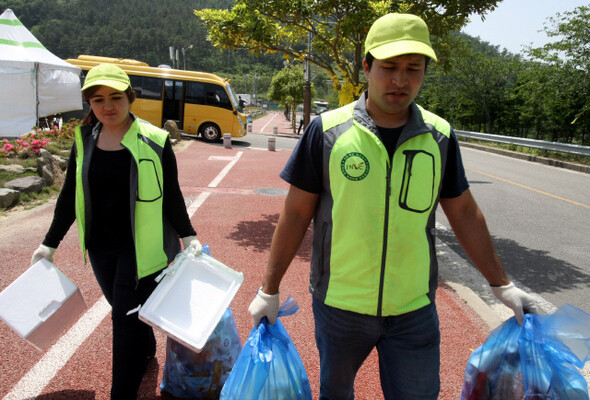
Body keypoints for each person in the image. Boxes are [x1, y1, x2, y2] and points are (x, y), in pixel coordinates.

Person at [248, 13, 539, 400]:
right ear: (366, 67)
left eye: (412, 69)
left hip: (413, 309)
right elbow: (297, 213)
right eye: (389, 67)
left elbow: (464, 212)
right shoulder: (328, 131)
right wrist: (269, 289)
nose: (401, 80)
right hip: (339, 305)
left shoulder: (439, 137)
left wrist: (501, 285)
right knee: (336, 393)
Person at [30, 63, 201, 399]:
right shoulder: (84, 141)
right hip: (99, 248)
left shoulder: (155, 141)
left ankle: (121, 392)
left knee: (122, 322)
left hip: (141, 251)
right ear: (89, 104)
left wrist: (189, 236)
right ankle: (146, 346)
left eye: (115, 97)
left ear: (130, 98)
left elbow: (172, 195)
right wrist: (49, 244)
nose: (107, 106)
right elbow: (69, 196)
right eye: (97, 100)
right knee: (126, 311)